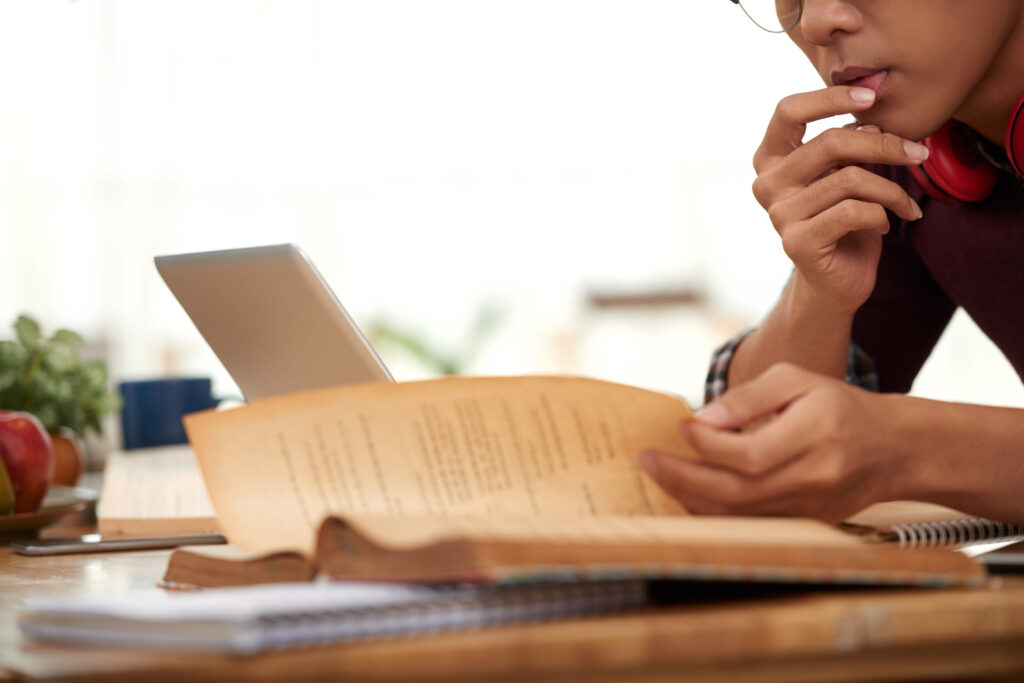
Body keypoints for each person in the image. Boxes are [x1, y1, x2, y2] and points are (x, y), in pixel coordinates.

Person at [640, 0, 1024, 524]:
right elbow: (742, 466)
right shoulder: (907, 170)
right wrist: (820, 294)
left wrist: (910, 448)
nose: (818, 21)